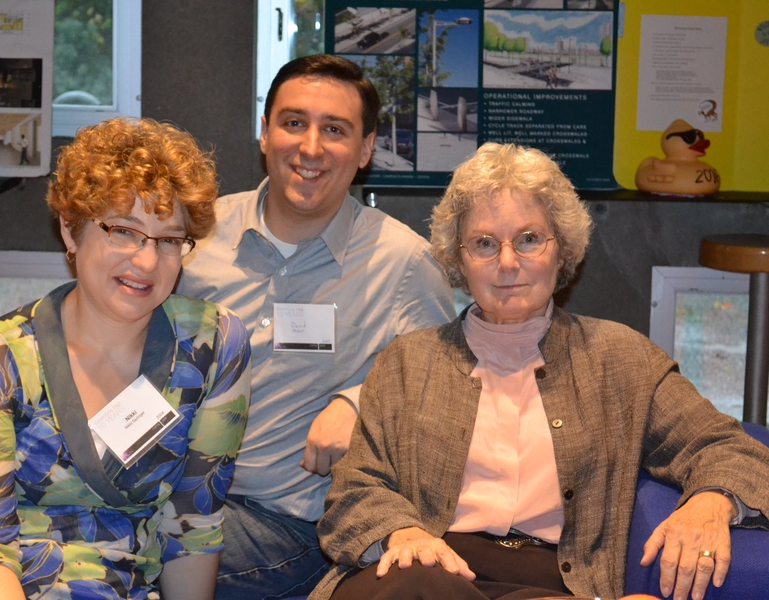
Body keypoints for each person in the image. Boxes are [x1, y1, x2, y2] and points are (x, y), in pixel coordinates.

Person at [312, 142, 769, 600]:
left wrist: (712, 502)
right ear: (458, 259)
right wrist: (402, 532)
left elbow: (731, 447)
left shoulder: (621, 360)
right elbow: (353, 488)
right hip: (416, 573)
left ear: (562, 248)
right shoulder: (406, 362)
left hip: (548, 585)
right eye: (484, 244)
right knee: (418, 584)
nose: (508, 263)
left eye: (529, 239)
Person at [0, 118, 251, 600]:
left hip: (109, 584)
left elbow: (192, 527)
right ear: (71, 231)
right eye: (124, 231)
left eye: (169, 240)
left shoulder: (212, 347)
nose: (147, 262)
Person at [176, 54, 455, 599]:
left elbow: (449, 389)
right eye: (294, 123)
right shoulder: (198, 236)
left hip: (292, 525)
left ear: (366, 149)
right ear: (265, 133)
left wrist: (358, 400)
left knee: (129, 565)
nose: (310, 147)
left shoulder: (403, 264)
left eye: (334, 130)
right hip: (172, 493)